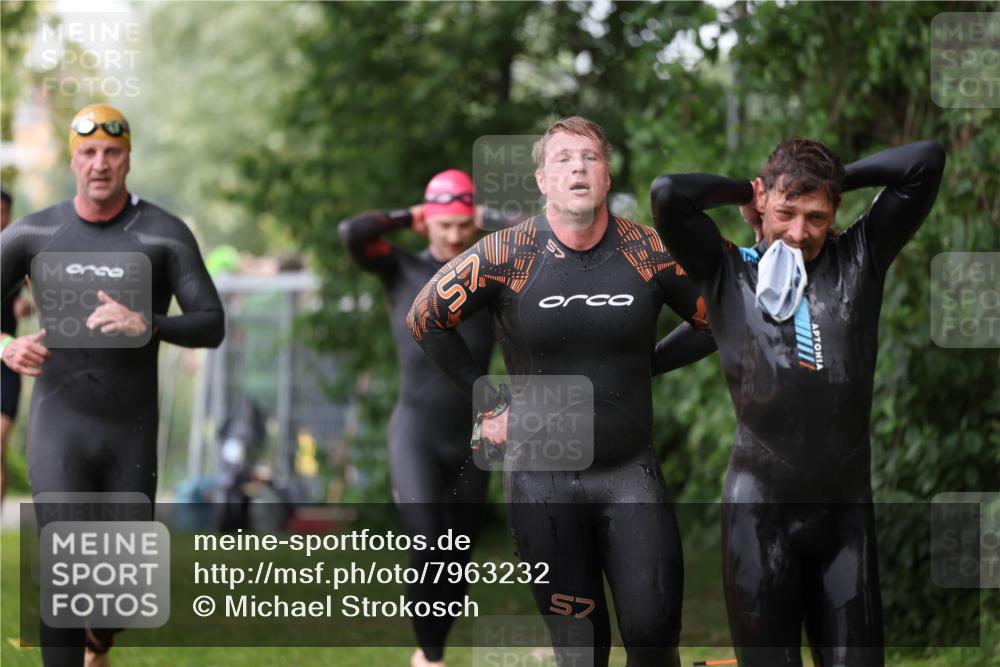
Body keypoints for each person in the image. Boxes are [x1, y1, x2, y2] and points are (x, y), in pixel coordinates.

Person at [408, 117, 714, 667]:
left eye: (591, 158)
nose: (578, 167)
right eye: (564, 159)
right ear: (542, 179)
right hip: (541, 480)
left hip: (630, 474)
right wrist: (491, 402)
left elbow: (715, 322)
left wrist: (647, 365)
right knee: (580, 653)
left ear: (606, 174)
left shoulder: (649, 252)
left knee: (652, 639)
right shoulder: (505, 254)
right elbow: (425, 319)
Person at [651, 137, 945, 666]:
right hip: (759, 516)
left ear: (835, 213)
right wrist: (753, 188)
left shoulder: (861, 257)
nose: (798, 232)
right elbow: (669, 194)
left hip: (845, 519)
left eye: (816, 214)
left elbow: (926, 161)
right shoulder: (726, 272)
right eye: (787, 211)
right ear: (762, 202)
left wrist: (829, 177)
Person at [0, 103, 225, 667]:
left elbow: (212, 324)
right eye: (88, 153)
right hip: (60, 422)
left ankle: (98, 641)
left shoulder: (163, 235)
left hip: (130, 429)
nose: (100, 164)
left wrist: (149, 324)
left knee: (116, 596)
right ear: (73, 161)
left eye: (112, 153)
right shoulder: (35, 232)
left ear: (128, 159)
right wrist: (5, 345)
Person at [338, 169, 498, 667]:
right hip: (417, 433)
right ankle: (429, 659)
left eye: (462, 225)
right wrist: (412, 213)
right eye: (443, 224)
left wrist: (487, 215)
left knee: (456, 562)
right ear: (427, 223)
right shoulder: (400, 269)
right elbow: (354, 233)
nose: (453, 235)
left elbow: (544, 228)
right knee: (428, 544)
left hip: (476, 436)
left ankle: (433, 648)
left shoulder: (492, 277)